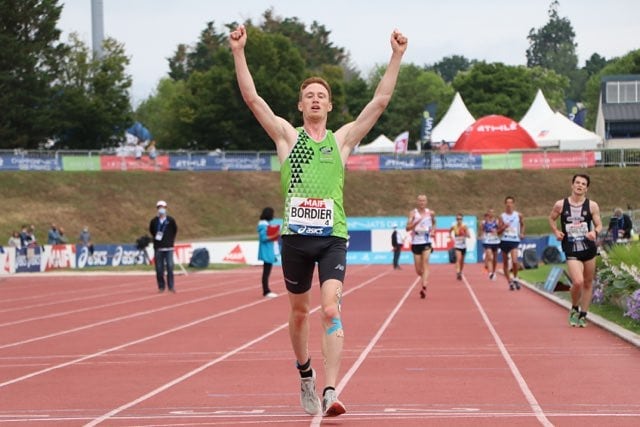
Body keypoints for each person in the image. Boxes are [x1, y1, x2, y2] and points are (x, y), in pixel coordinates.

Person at [230, 24, 407, 417]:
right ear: (300, 105)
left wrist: (396, 56)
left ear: (329, 106)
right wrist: (239, 52)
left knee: (329, 310)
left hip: (332, 238)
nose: (315, 100)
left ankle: (330, 390)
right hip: (295, 238)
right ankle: (305, 373)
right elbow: (253, 99)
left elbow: (379, 102)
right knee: (298, 312)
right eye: (308, 95)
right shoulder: (287, 138)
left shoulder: (341, 141)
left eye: (321, 96)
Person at [548, 174, 602, 328]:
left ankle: (583, 315)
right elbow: (551, 218)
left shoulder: (592, 206)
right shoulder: (560, 204)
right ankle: (574, 308)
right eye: (577, 183)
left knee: (588, 282)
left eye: (583, 184)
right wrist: (556, 231)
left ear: (586, 188)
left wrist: (595, 232)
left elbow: (599, 225)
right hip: (571, 248)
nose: (580, 185)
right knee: (578, 281)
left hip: (588, 248)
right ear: (572, 185)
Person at [405, 194, 436, 298]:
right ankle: (424, 278)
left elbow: (434, 223)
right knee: (418, 270)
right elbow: (407, 228)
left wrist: (433, 230)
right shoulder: (413, 213)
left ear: (426, 202)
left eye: (423, 200)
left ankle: (424, 286)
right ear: (417, 202)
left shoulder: (430, 213)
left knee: (425, 262)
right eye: (420, 201)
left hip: (426, 241)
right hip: (416, 242)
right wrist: (415, 223)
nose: (422, 202)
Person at [149, 200, 178, 293]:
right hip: (158, 247)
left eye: (163, 207)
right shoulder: (154, 221)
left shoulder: (170, 220)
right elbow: (152, 231)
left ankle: (171, 286)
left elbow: (175, 230)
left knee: (170, 267)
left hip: (169, 247)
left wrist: (170, 241)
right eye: (159, 207)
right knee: (159, 269)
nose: (161, 209)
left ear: (166, 208)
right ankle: (161, 286)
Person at [497, 196, 525, 291]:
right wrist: (504, 227)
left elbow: (522, 224)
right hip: (504, 241)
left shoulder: (518, 215)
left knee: (514, 261)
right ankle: (510, 282)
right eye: (507, 203)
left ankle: (515, 278)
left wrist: (522, 233)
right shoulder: (502, 216)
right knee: (505, 263)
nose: (509, 205)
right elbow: (498, 232)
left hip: (514, 240)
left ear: (513, 204)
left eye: (510, 203)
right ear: (505, 204)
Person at [257, 207, 279, 298]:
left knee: (267, 271)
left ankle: (266, 290)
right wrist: (275, 235)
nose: (273, 215)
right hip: (266, 251)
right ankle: (266, 291)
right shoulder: (263, 225)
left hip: (269, 250)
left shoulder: (266, 224)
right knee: (266, 272)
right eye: (272, 213)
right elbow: (263, 238)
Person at [480, 209, 500, 280]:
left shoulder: (496, 221)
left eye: (492, 212)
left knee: (495, 259)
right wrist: (482, 236)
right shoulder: (484, 222)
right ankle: (490, 273)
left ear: (493, 213)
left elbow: (500, 230)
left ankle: (493, 271)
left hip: (495, 241)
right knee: (490, 257)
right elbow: (482, 230)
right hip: (487, 241)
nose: (491, 213)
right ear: (488, 213)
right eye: (490, 212)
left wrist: (496, 231)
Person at [450, 213, 470, 280]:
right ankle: (458, 272)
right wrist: (450, 236)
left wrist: (464, 233)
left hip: (463, 246)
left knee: (462, 261)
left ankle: (460, 271)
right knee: (458, 259)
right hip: (457, 246)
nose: (459, 220)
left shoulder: (464, 226)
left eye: (460, 219)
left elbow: (469, 236)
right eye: (457, 219)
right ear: (456, 220)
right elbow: (450, 230)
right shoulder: (454, 226)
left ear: (462, 219)